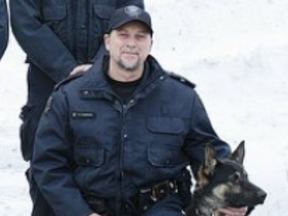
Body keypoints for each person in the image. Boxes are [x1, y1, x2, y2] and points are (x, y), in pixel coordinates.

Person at [33, 6, 248, 216]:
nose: (131, 44)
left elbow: (209, 153)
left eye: (140, 37)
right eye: (123, 35)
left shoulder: (181, 98)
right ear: (108, 42)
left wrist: (228, 193)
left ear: (150, 44)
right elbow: (48, 164)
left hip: (159, 208)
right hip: (90, 208)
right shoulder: (70, 97)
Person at [9, 1, 144, 216]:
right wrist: (67, 69)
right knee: (48, 176)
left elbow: (131, 20)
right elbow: (26, 23)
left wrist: (101, 67)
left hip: (108, 87)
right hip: (48, 88)